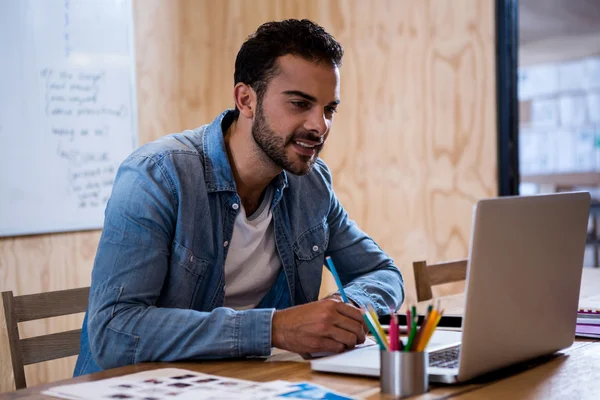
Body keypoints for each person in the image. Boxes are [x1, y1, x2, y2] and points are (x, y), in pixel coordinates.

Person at [74, 18, 404, 376]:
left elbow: (383, 273)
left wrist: (345, 307)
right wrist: (274, 328)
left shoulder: (311, 184)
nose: (319, 125)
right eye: (300, 104)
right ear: (246, 99)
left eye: (329, 109)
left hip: (248, 385)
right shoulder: (157, 175)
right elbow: (114, 332)